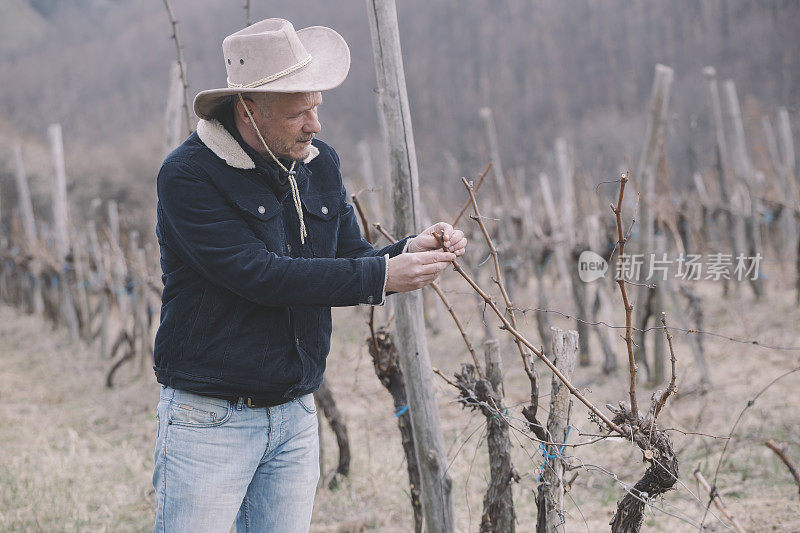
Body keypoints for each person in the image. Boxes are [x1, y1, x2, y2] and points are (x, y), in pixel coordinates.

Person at [151, 18, 466, 532]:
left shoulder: (319, 165)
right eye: (299, 113)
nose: (315, 124)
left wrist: (411, 250)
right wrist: (383, 275)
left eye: (316, 107)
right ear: (247, 109)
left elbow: (351, 255)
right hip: (211, 418)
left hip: (295, 413)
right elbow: (259, 275)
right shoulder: (189, 175)